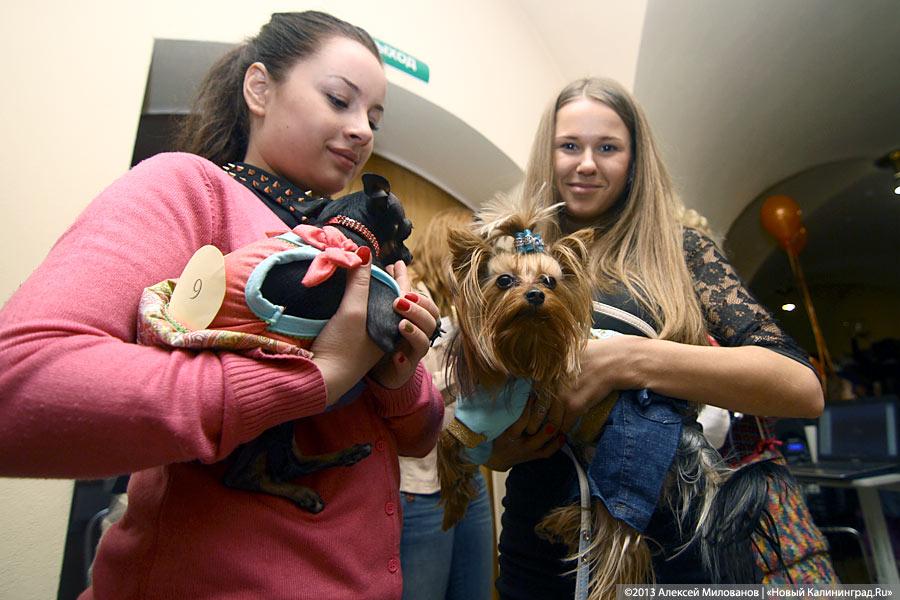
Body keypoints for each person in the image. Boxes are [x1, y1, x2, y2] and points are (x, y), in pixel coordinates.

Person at [0, 11, 443, 600]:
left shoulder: (363, 250)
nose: (362, 130)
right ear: (259, 88)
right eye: (340, 100)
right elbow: (21, 387)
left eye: (374, 117)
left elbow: (418, 437)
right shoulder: (190, 189)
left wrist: (395, 374)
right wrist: (318, 376)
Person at [486, 77, 826, 598]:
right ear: (547, 152)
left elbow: (800, 389)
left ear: (635, 160)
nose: (586, 164)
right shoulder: (515, 254)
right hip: (541, 545)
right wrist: (498, 446)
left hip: (668, 548)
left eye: (608, 147)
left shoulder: (682, 251)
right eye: (569, 146)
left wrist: (629, 359)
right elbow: (487, 410)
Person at [399, 208, 494, 600]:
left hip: (467, 476)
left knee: (474, 589)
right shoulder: (409, 302)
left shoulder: (466, 310)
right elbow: (413, 392)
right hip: (419, 485)